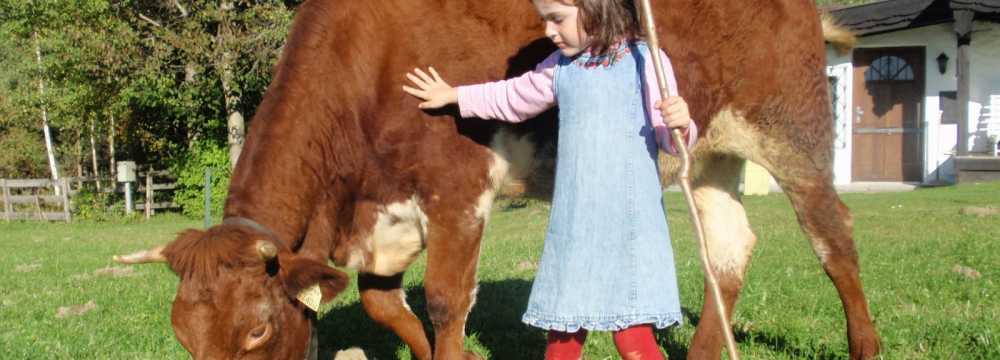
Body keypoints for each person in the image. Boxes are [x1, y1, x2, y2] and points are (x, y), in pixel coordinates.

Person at [403, 0, 696, 358]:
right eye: (545, 20)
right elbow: (511, 97)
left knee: (633, 338)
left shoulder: (646, 61)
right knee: (563, 339)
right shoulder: (562, 68)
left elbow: (671, 140)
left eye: (557, 19)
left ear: (596, 7)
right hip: (576, 228)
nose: (548, 32)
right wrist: (455, 96)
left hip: (631, 227)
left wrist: (681, 123)